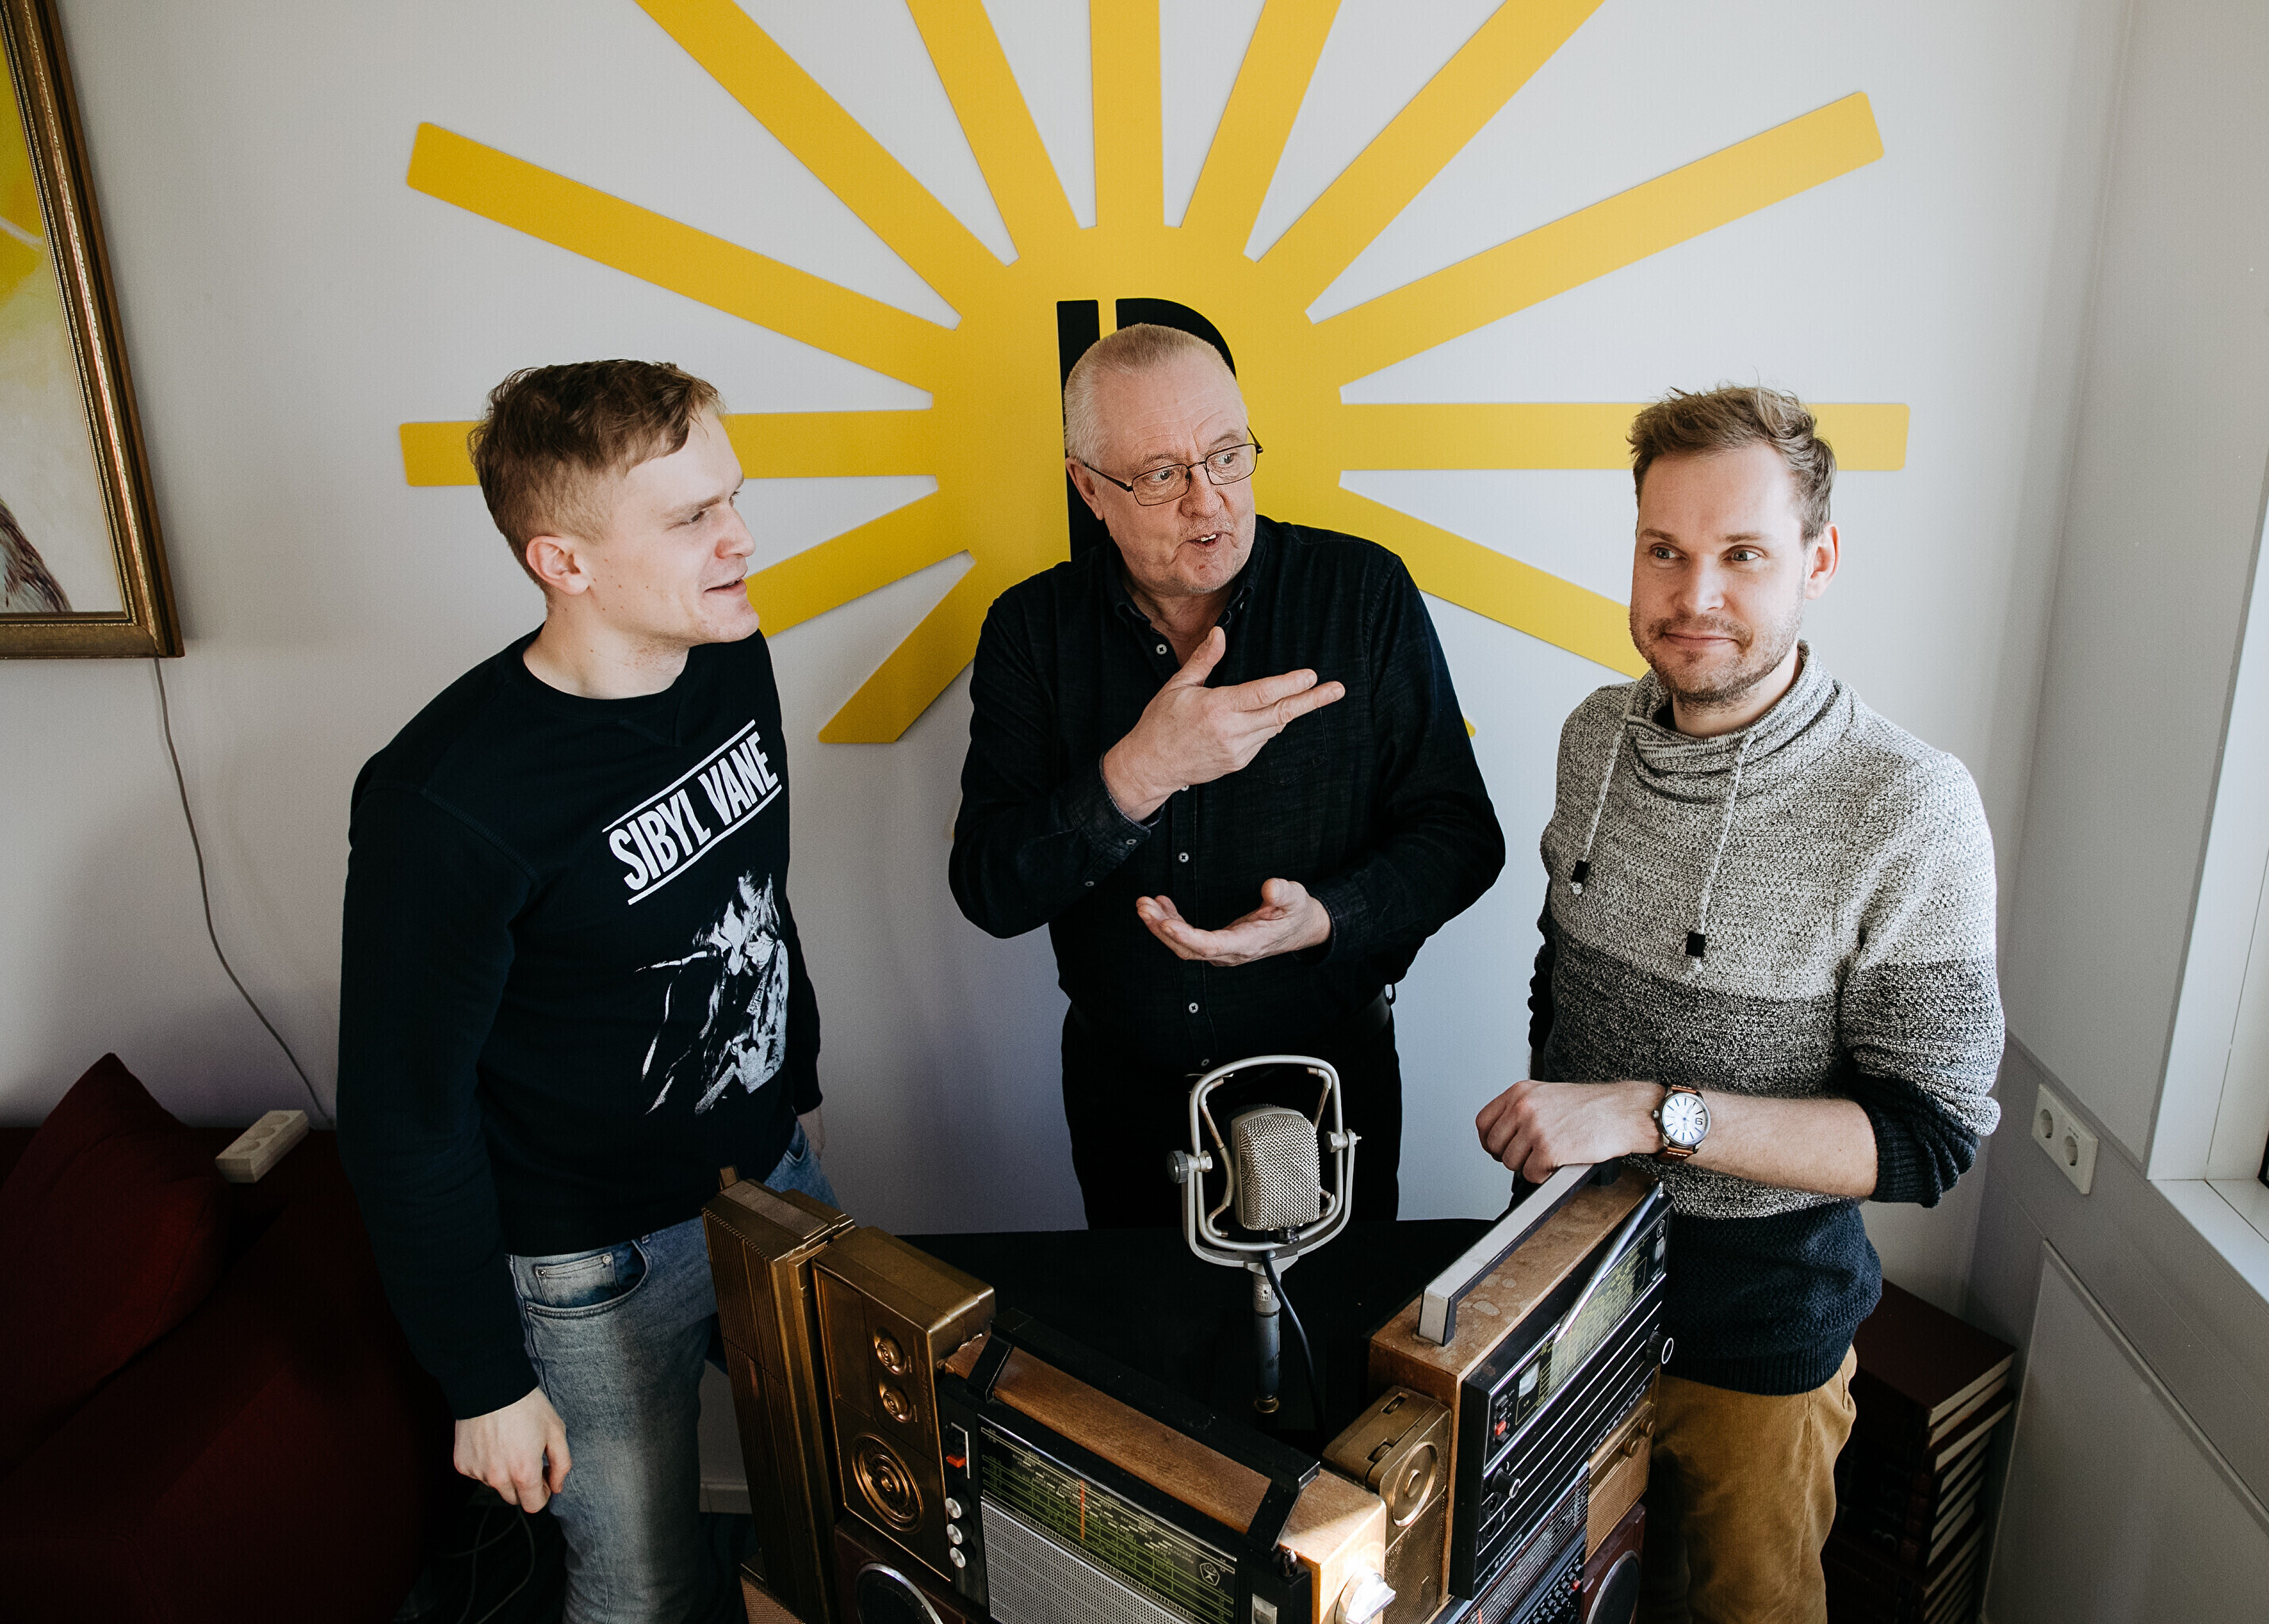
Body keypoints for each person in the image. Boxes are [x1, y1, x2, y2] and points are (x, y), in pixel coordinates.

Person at [1475, 385, 2003, 1624]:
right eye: (1664, 550)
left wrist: (1647, 1113)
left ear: (1819, 560)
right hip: (1565, 1305)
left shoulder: (1910, 806)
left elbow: (1930, 1137)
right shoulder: (1595, 736)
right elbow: (1564, 969)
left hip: (1759, 1347)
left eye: (1743, 555)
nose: (1693, 595)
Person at [339, 360, 832, 1624]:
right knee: (642, 1591)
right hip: (593, 1266)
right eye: (692, 517)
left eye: (732, 497)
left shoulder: (730, 657)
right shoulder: (444, 803)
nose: (741, 538)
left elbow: (756, 897)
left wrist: (794, 1088)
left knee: (852, 1516)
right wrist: (483, 1382)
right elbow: (404, 1115)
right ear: (562, 562)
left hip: (774, 1179)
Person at [951, 323, 1504, 1227]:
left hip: (1330, 1091)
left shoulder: (1361, 592)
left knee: (1345, 1318)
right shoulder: (1030, 630)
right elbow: (989, 888)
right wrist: (1138, 772)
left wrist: (1327, 917)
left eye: (1227, 455)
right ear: (1088, 488)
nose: (1208, 502)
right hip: (1126, 1108)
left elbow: (1461, 837)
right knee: (1139, 1321)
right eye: (1161, 474)